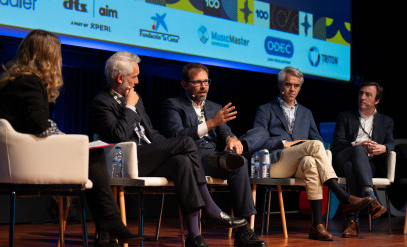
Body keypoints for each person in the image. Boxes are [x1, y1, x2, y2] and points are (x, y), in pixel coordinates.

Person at [0, 29, 141, 247]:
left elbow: (32, 122)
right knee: (93, 153)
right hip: (26, 162)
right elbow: (38, 125)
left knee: (89, 152)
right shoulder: (29, 82)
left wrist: (60, 134)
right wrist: (63, 136)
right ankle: (109, 222)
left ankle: (108, 226)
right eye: (57, 53)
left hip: (15, 158)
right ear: (47, 55)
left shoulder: (12, 80)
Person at [90, 52, 247, 247]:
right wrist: (129, 108)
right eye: (134, 77)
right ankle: (210, 209)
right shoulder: (102, 102)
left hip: (148, 155)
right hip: (128, 159)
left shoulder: (135, 99)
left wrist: (168, 148)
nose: (137, 81)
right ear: (120, 78)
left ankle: (194, 236)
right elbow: (119, 135)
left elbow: (151, 132)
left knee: (181, 161)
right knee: (187, 143)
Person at [251, 66, 372, 241]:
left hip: (298, 165)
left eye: (296, 86)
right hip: (276, 163)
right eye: (288, 84)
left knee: (310, 162)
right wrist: (284, 143)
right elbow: (258, 140)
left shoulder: (306, 113)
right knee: (314, 146)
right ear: (279, 85)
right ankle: (342, 196)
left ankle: (317, 225)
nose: (292, 89)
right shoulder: (265, 110)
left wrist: (304, 147)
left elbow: (318, 142)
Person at [160, 63, 267, 247]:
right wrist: (210, 124)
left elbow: (224, 130)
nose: (203, 87)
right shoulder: (173, 105)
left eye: (206, 82)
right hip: (191, 157)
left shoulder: (213, 106)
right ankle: (200, 231)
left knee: (240, 161)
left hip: (215, 155)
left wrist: (231, 138)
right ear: (184, 84)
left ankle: (244, 230)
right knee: (229, 161)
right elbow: (176, 136)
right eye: (197, 82)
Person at [331, 81, 394, 238]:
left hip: (368, 164)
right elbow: (336, 143)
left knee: (351, 167)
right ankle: (372, 198)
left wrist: (384, 148)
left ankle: (352, 222)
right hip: (343, 156)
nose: (362, 97)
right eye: (361, 93)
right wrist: (356, 144)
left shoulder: (386, 121)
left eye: (368, 95)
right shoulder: (345, 116)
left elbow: (391, 143)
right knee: (356, 152)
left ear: (377, 101)